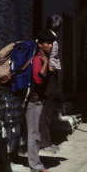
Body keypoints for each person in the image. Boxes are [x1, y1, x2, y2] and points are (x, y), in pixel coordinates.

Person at [25, 29, 55, 172]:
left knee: (36, 135)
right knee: (33, 135)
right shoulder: (38, 59)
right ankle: (34, 169)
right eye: (48, 43)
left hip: (37, 102)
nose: (50, 46)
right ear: (41, 44)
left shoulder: (40, 58)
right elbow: (38, 79)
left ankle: (38, 165)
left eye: (52, 43)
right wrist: (46, 63)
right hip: (32, 103)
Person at [39, 14, 63, 153]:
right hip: (48, 76)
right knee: (46, 108)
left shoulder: (49, 35)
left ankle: (46, 140)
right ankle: (44, 142)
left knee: (48, 107)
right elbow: (40, 52)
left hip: (50, 74)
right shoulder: (49, 37)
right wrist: (47, 67)